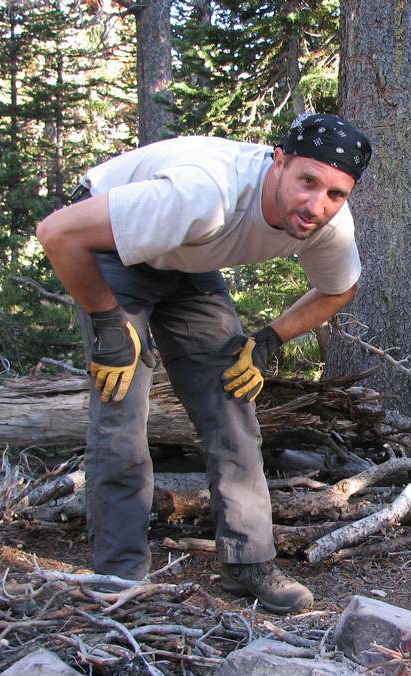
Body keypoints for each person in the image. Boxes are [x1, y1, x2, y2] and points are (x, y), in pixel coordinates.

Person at [35, 114, 372, 614]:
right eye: (307, 182)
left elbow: (340, 289)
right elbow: (58, 232)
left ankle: (249, 562)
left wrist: (265, 341)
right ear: (277, 162)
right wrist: (109, 326)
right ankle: (117, 577)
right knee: (122, 408)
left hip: (186, 257)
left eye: (335, 194)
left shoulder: (325, 224)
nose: (315, 205)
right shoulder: (203, 193)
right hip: (109, 244)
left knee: (230, 401)